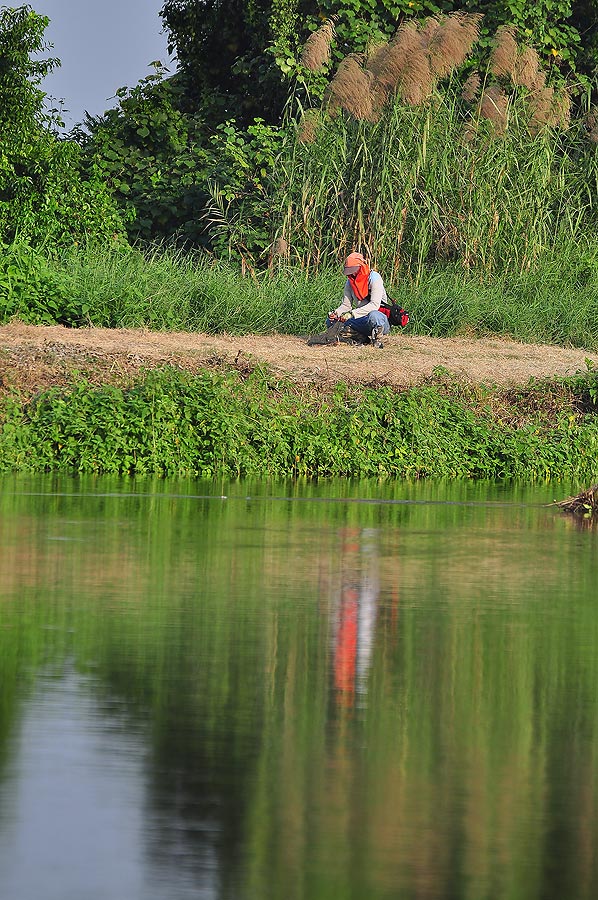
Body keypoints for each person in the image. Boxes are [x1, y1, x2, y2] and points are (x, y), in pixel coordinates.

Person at [327, 252, 391, 348]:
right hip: (361, 320)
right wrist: (336, 314)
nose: (352, 273)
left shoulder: (374, 278)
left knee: (374, 315)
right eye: (349, 270)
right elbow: (346, 305)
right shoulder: (350, 282)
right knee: (331, 322)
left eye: (354, 270)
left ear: (361, 266)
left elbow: (375, 305)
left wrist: (352, 314)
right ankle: (361, 337)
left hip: (379, 320)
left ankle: (377, 339)